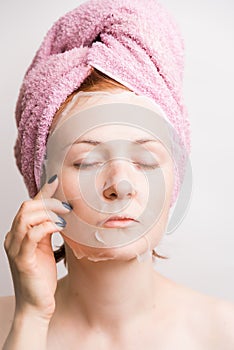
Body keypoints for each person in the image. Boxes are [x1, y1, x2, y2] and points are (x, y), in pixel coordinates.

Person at [1, 0, 234, 349]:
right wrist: (31, 318)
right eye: (86, 162)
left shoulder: (224, 331)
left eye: (146, 160)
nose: (120, 186)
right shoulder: (11, 328)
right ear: (41, 182)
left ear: (175, 179)